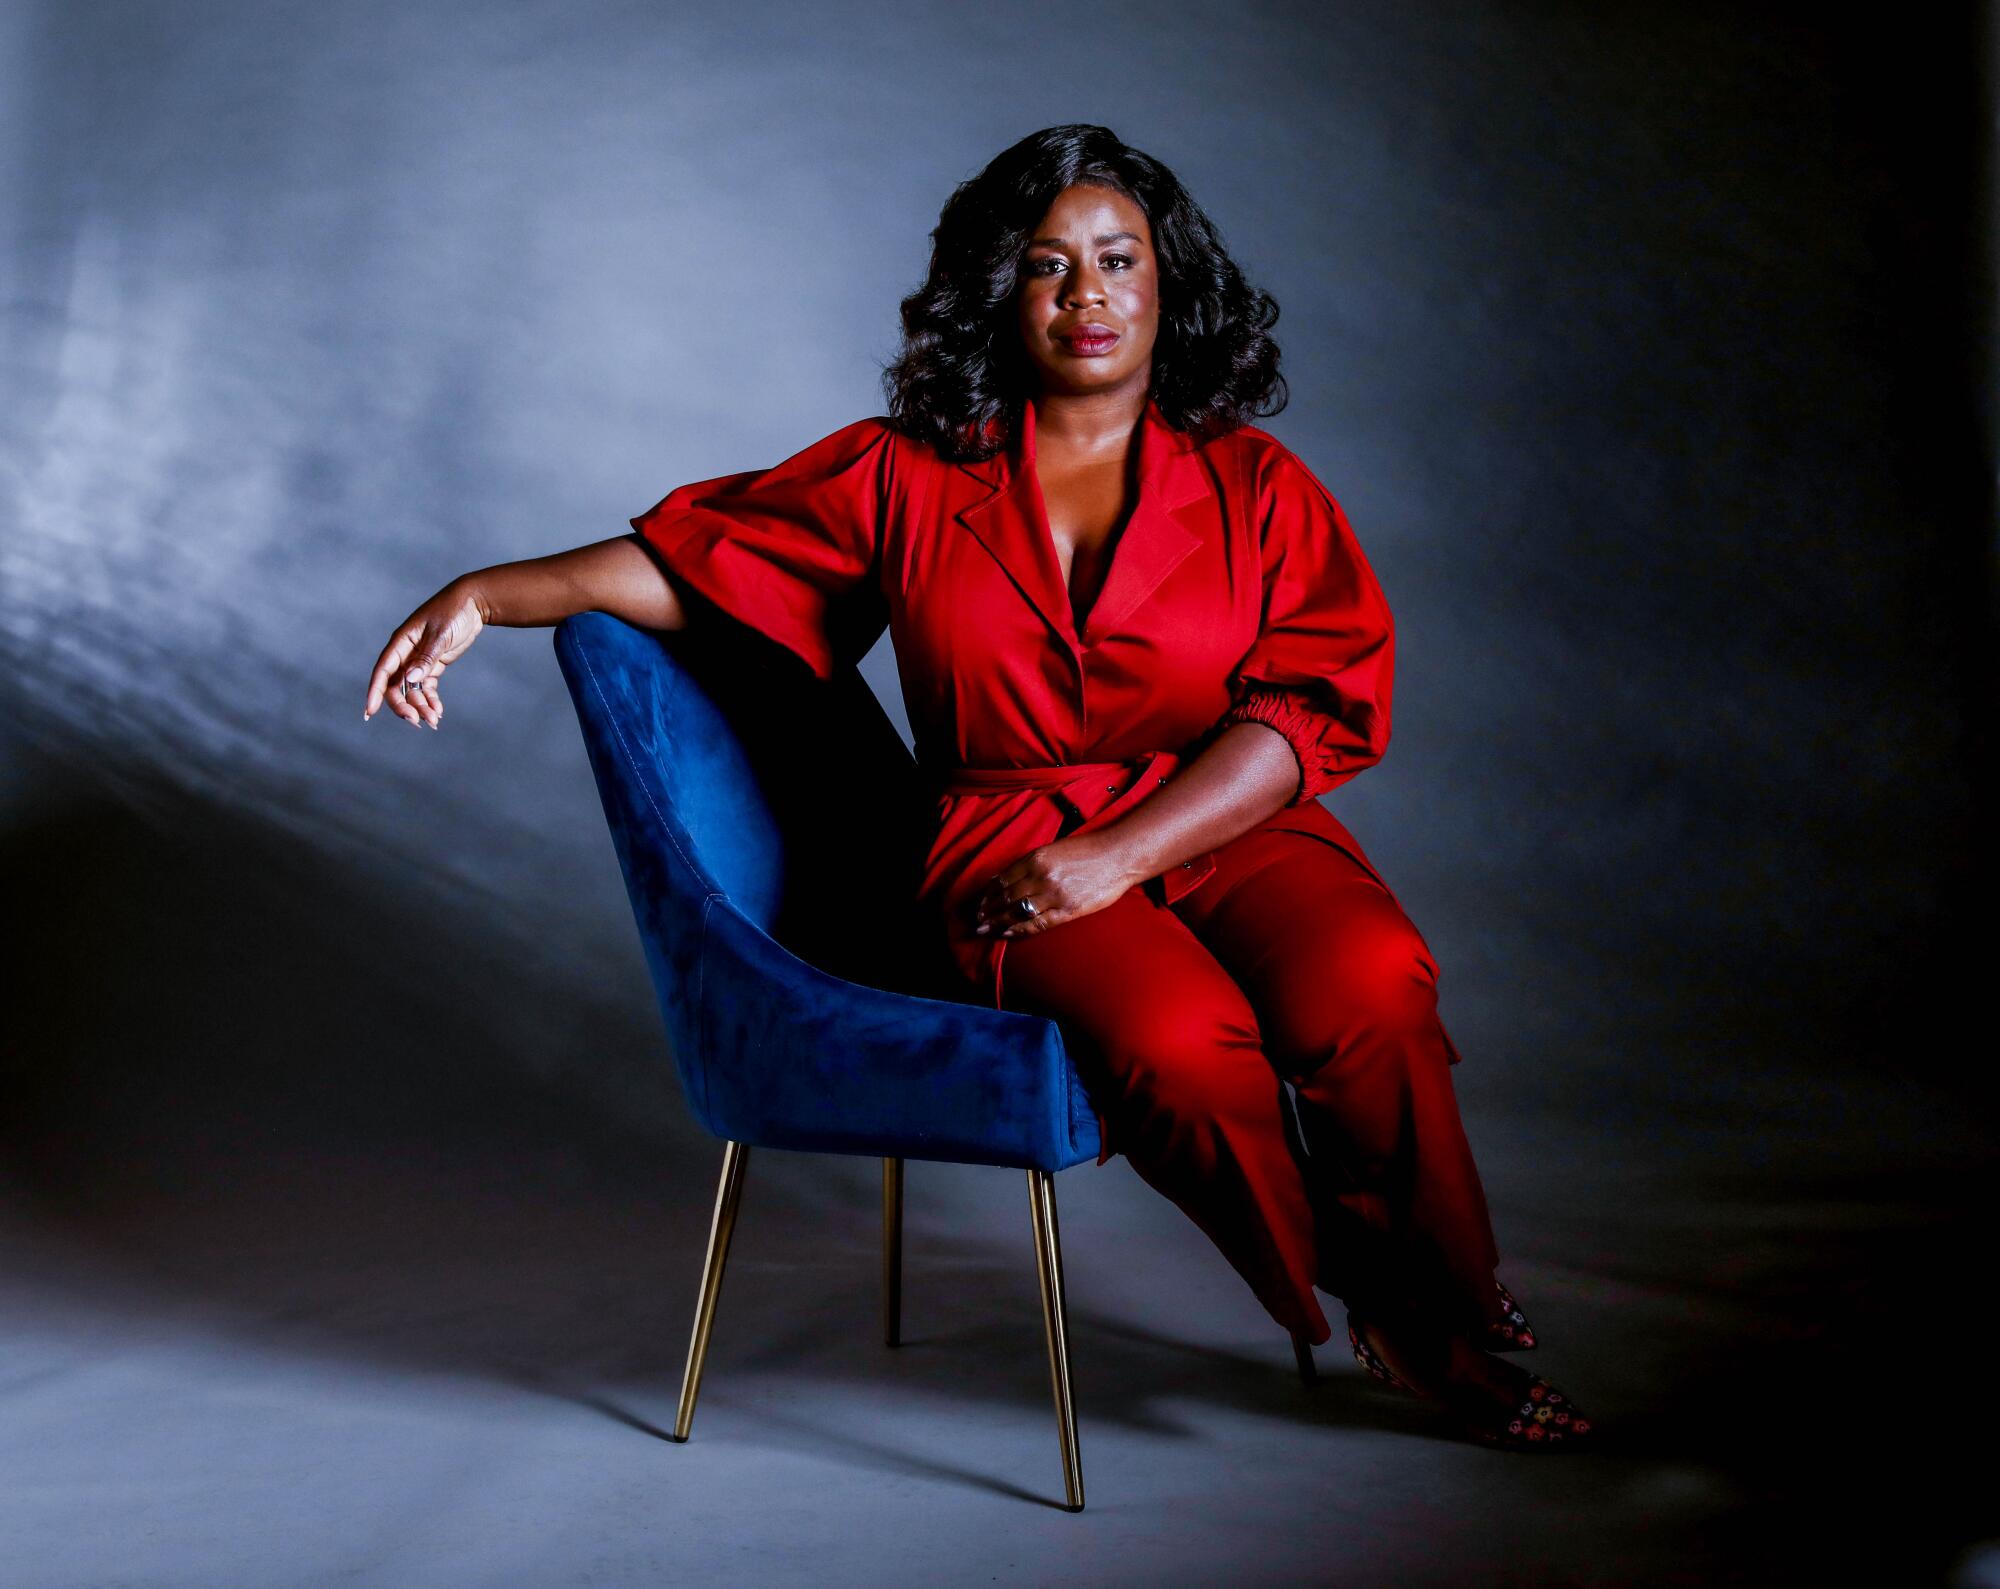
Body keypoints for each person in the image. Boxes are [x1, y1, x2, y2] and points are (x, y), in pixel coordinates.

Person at [363, 124, 1596, 1451]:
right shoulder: (903, 471)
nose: (1091, 296)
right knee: (1182, 1047)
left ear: (1167, 280)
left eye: (1120, 260)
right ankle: (1395, 1305)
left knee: (1372, 978)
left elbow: (1309, 708)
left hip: (1222, 810)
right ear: (1000, 293)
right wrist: (487, 593)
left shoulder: (1255, 483)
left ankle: (1445, 1290)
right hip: (1001, 836)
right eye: (1051, 267)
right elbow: (694, 565)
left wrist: (1121, 853)